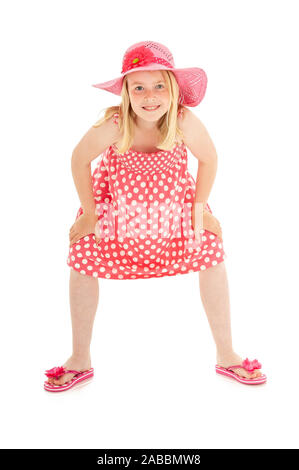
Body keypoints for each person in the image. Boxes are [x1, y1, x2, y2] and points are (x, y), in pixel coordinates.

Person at [44, 41, 266, 392]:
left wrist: (199, 209)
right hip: (121, 213)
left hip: (173, 213)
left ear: (174, 89)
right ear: (127, 93)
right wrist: (89, 214)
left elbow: (209, 158)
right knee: (82, 256)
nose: (150, 96)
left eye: (159, 85)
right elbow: (78, 159)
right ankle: (79, 357)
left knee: (212, 252)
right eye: (139, 87)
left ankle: (227, 353)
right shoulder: (115, 124)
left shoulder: (182, 121)